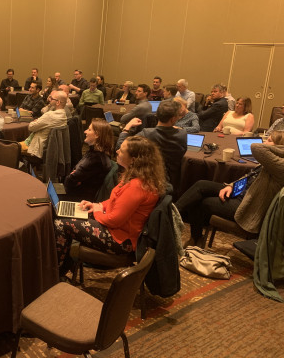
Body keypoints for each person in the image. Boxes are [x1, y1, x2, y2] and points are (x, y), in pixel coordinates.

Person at [55, 136, 166, 276]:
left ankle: (57, 271)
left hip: (120, 240)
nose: (117, 151)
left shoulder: (137, 186)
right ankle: (65, 263)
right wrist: (96, 204)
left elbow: (114, 220)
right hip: (115, 229)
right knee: (65, 213)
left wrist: (97, 212)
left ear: (134, 160)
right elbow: (115, 200)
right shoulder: (135, 177)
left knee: (60, 224)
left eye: (122, 150)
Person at [176, 131, 284, 246]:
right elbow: (249, 176)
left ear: (280, 147)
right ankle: (173, 214)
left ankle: (195, 237)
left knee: (200, 202)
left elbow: (256, 147)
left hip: (247, 206)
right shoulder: (276, 162)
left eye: (269, 140)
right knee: (201, 185)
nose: (264, 142)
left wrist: (281, 149)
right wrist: (231, 185)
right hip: (242, 192)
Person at [117, 100, 187, 197]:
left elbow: (121, 149)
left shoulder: (146, 134)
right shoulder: (182, 134)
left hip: (147, 181)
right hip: (170, 181)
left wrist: (127, 127)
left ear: (157, 115)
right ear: (173, 119)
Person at [64, 118, 113, 201]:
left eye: (89, 130)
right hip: (79, 193)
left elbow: (69, 181)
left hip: (80, 199)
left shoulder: (95, 159)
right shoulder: (96, 152)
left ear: (97, 135)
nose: (85, 132)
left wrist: (73, 176)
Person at [20, 90, 68, 158]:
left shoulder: (50, 115)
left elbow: (31, 127)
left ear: (58, 102)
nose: (49, 100)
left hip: (37, 148)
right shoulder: (64, 115)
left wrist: (34, 122)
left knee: (12, 147)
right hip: (51, 148)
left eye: (52, 98)